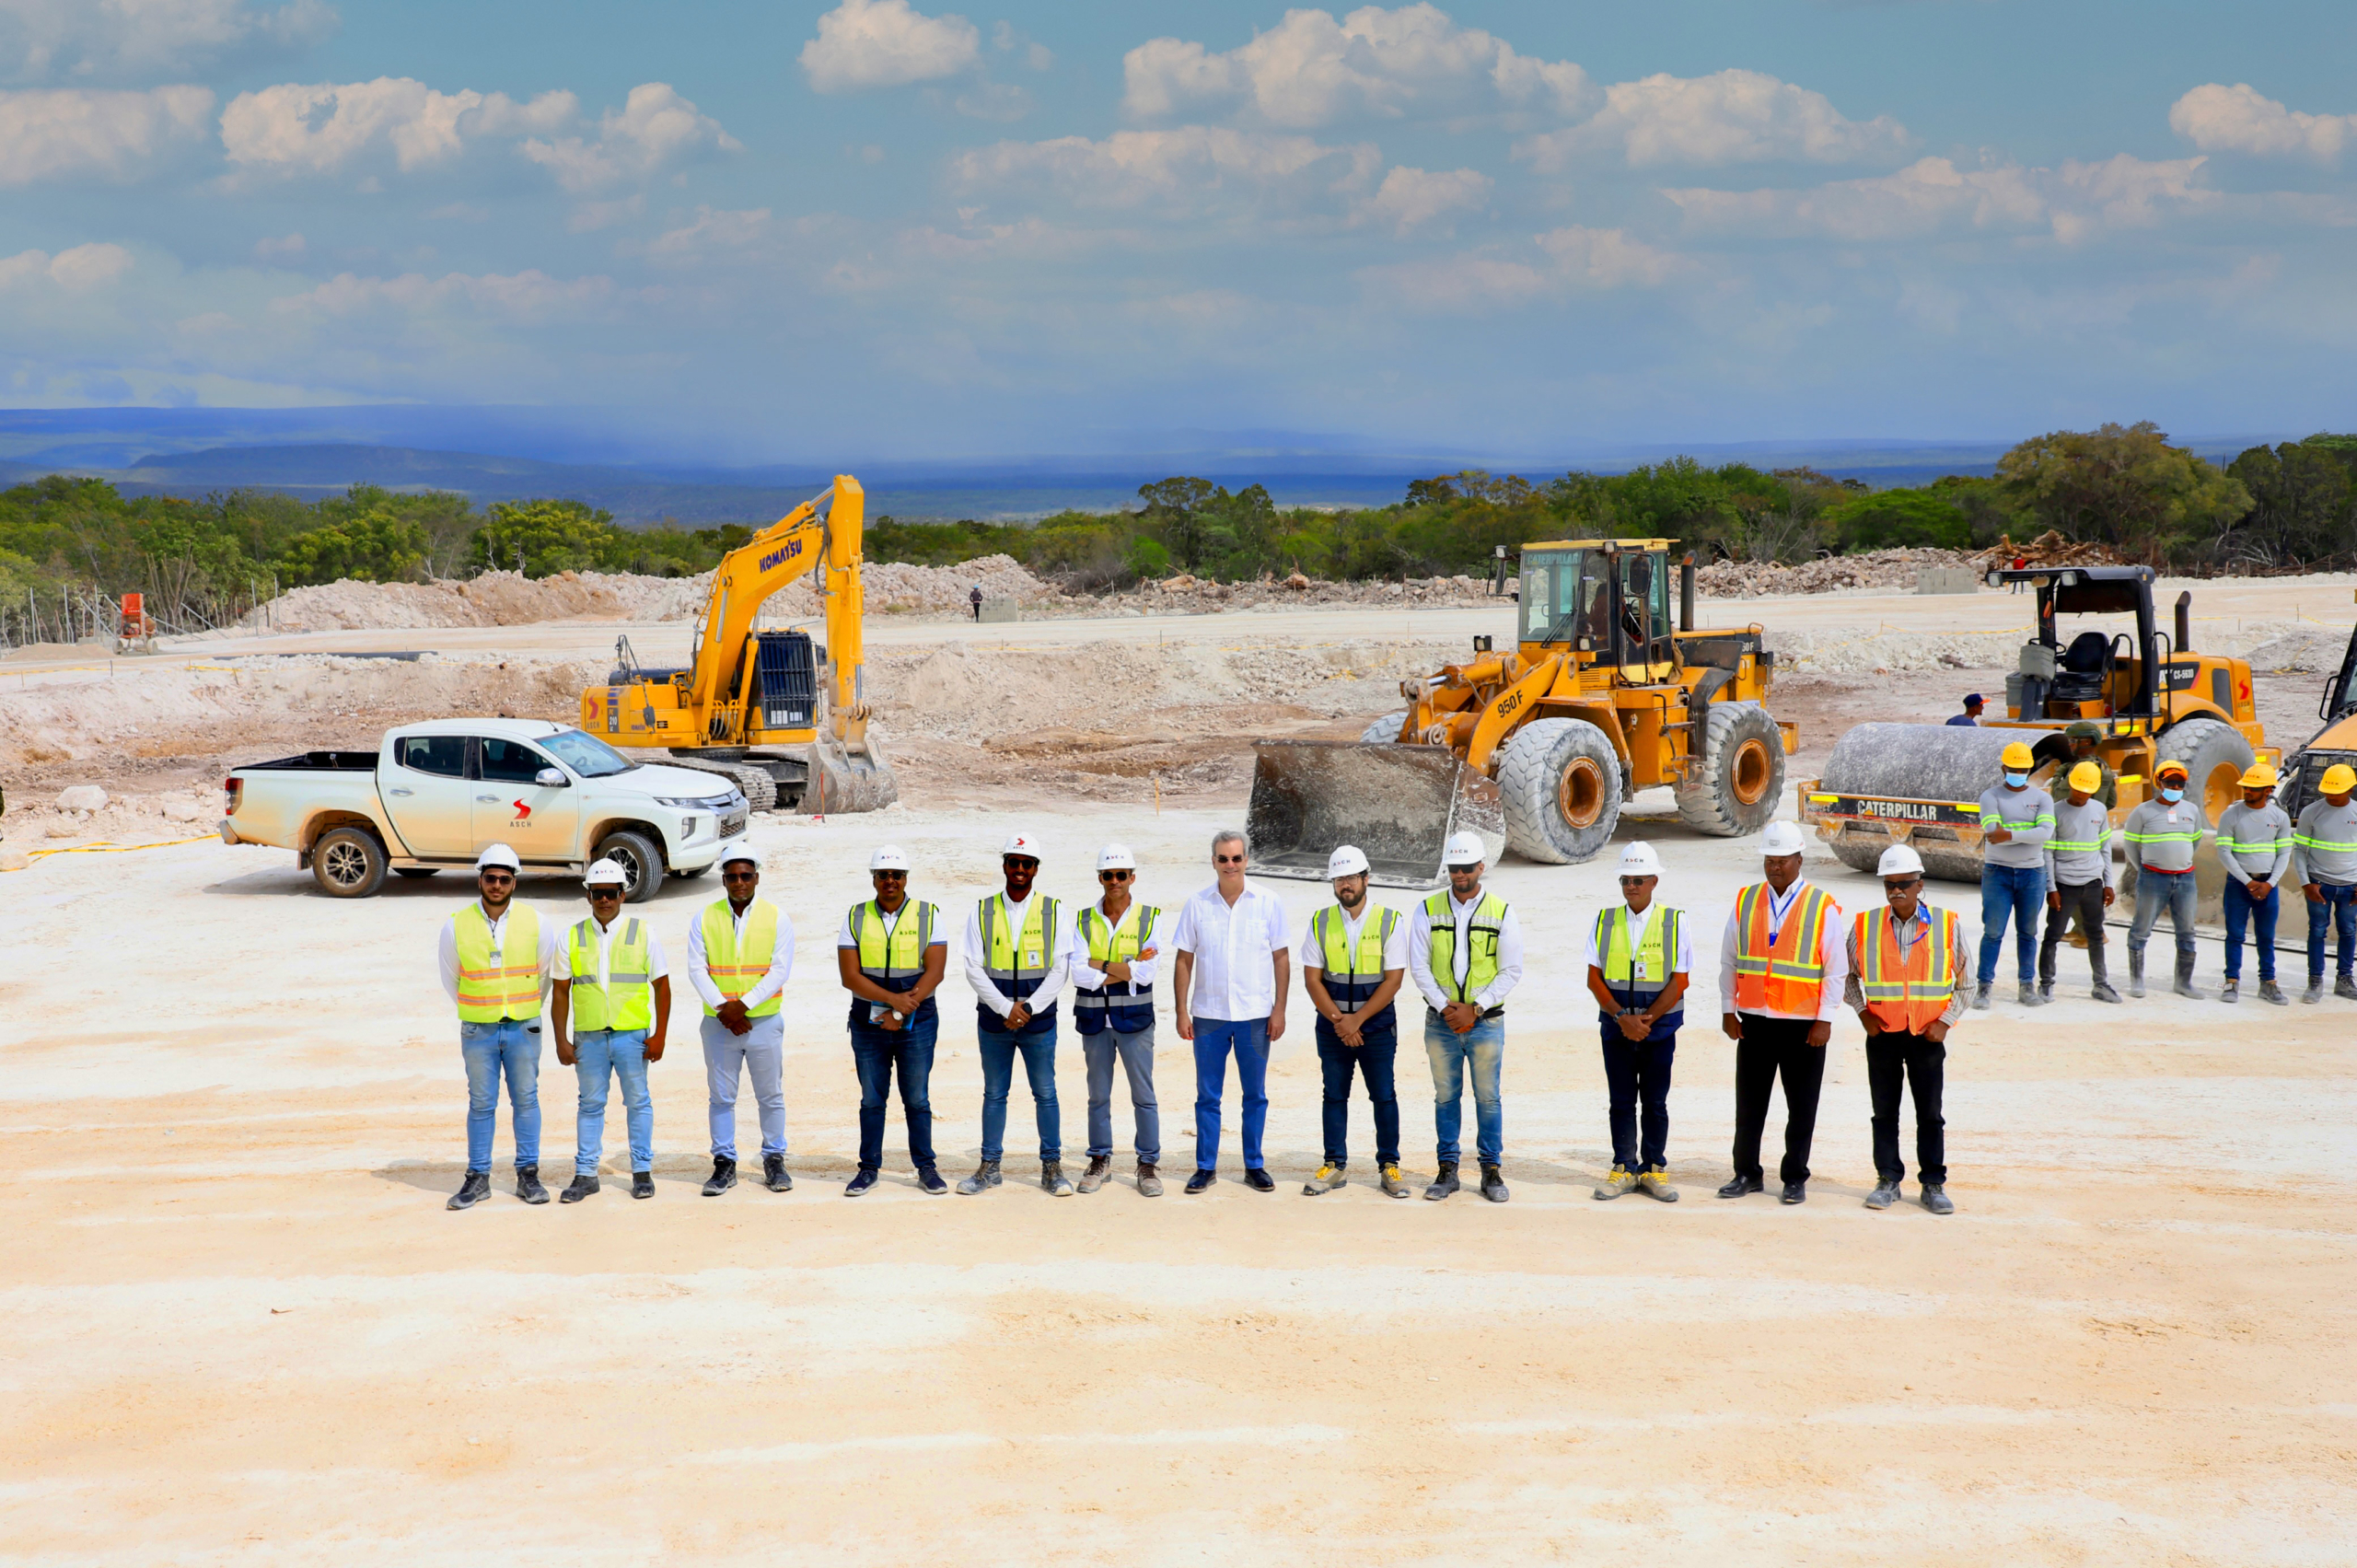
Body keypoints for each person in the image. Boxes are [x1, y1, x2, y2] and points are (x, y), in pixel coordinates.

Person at [1718, 819, 1847, 1205]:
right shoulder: (1746, 900)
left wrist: (1825, 1018)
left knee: (1802, 1106)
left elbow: (1835, 968)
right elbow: (1729, 960)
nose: (1774, 866)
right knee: (1749, 1104)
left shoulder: (1820, 905)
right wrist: (1729, 1009)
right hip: (1755, 1020)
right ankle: (1746, 1173)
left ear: (1799, 859)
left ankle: (1794, 1177)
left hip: (1803, 1024)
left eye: (1782, 859)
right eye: (1769, 859)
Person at [1844, 843, 1966, 1215]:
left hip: (1927, 1035)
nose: (1896, 890)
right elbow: (1846, 976)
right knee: (1884, 1112)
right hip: (1883, 1034)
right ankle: (1888, 1179)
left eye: (1904, 883)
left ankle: (1932, 1183)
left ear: (1919, 885)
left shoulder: (1946, 924)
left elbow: (1968, 982)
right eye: (1889, 884)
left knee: (1930, 1113)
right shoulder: (1865, 925)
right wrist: (1863, 1012)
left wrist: (1945, 1023)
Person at [1170, 829, 1291, 1193]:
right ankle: (1205, 1166)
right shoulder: (1197, 903)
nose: (1230, 865)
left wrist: (1279, 1010)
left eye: (1236, 858)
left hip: (1255, 1014)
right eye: (1223, 858)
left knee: (1255, 1094)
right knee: (1208, 1095)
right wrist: (1181, 1011)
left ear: (1246, 860)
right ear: (1213, 861)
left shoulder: (1268, 901)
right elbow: (1183, 959)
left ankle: (1253, 1165)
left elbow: (1282, 958)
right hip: (1209, 1016)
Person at [438, 842, 558, 1210]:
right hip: (479, 1030)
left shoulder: (537, 922)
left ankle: (528, 1175)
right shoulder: (456, 924)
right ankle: (478, 1179)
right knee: (481, 1104)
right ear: (480, 880)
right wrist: (482, 1008)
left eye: (504, 879)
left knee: (526, 1100)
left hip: (523, 1028)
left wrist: (522, 1008)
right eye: (490, 878)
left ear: (514, 883)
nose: (497, 885)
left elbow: (545, 975)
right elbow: (451, 978)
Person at [1408, 830, 1524, 1202]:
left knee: (1488, 1099)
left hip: (1485, 1023)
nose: (1460, 875)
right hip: (1441, 1022)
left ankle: (1491, 1172)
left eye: (1466, 868)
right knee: (1446, 1098)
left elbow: (1512, 970)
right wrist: (1446, 1007)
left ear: (1480, 867)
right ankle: (1448, 1172)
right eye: (1454, 868)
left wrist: (1474, 1009)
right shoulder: (1427, 909)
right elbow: (1419, 966)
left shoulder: (1502, 912)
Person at [550, 858, 670, 1202]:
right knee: (590, 1105)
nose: (605, 900)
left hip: (633, 1037)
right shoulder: (570, 936)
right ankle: (586, 1175)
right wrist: (561, 1039)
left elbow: (662, 986)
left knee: (638, 1102)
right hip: (589, 1038)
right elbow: (560, 992)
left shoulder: (644, 932)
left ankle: (642, 1173)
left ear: (623, 895)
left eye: (611, 893)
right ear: (588, 895)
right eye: (598, 893)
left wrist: (659, 1035)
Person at [959, 832, 1073, 1195]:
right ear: (1005, 865)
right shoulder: (983, 910)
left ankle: (1052, 1167)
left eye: (1027, 864)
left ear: (1036, 869)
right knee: (994, 1094)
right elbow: (973, 968)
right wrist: (1006, 1007)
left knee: (1046, 1093)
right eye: (1014, 862)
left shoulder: (1054, 910)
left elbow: (1060, 968)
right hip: (995, 1021)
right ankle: (990, 1167)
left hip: (1038, 1022)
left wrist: (1029, 1008)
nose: (1020, 869)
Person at [837, 844, 949, 1195]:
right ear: (874, 879)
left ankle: (926, 1168)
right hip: (868, 1023)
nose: (890, 881)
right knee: (872, 1099)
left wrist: (900, 1012)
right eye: (883, 875)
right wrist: (891, 1003)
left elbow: (935, 973)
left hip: (916, 1021)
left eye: (896, 875)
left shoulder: (928, 914)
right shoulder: (856, 916)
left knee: (917, 1098)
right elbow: (849, 976)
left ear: (906, 878)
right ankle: (868, 1168)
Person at [1300, 844, 1410, 1199]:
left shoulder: (1390, 920)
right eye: (1339, 879)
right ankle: (1334, 1165)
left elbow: (1393, 979)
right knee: (1334, 1096)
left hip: (1375, 1028)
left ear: (1366, 878)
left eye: (1351, 877)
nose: (1345, 884)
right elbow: (1312, 979)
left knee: (1383, 1096)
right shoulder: (1321, 921)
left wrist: (1357, 1020)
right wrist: (1339, 1021)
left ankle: (1389, 1166)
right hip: (1333, 1029)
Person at [1583, 842, 1689, 1202]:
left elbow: (1680, 979)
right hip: (1616, 1029)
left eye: (1639, 879)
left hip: (1658, 1030)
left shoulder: (1675, 920)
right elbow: (1593, 978)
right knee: (1621, 1101)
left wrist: (1645, 1020)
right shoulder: (1605, 920)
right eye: (1626, 879)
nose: (1631, 886)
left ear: (1654, 881)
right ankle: (1625, 1167)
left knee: (1656, 1103)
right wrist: (1620, 1018)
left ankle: (1654, 1169)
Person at [688, 851, 795, 1195]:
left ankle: (774, 1159)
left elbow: (779, 970)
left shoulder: (777, 918)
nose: (739, 882)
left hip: (762, 1021)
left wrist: (743, 1006)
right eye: (732, 876)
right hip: (720, 1024)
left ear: (757, 878)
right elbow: (696, 968)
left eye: (746, 876)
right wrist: (724, 1009)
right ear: (723, 880)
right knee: (721, 1097)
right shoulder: (704, 918)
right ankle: (724, 1163)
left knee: (771, 1095)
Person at [1070, 843, 1164, 1196]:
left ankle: (1148, 1163)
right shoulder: (1081, 919)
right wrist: (1125, 967)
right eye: (1108, 875)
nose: (1114, 881)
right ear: (1100, 878)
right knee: (1098, 1096)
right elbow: (1078, 973)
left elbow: (1147, 972)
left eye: (1120, 875)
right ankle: (1100, 1159)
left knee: (1144, 1095)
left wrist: (1100, 964)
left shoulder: (1150, 917)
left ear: (1132, 877)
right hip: (1095, 1020)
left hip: (1135, 1020)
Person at [1973, 740, 2054, 1008]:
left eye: (2023, 768)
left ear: (2030, 769)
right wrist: (2023, 836)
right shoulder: (1990, 796)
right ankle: (1983, 987)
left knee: (2028, 933)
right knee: (1993, 932)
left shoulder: (2042, 798)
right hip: (1999, 874)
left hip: (2033, 875)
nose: (2018, 772)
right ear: (2003, 767)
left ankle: (2026, 986)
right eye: (2014, 767)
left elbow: (2044, 834)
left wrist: (2009, 833)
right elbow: (1992, 835)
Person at [2039, 760, 2122, 1004]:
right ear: (2070, 786)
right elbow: (2048, 853)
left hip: (2093, 885)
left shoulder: (2098, 810)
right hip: (2064, 886)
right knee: (2053, 935)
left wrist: (2108, 883)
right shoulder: (2056, 811)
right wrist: (2051, 888)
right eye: (2077, 789)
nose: (2081, 795)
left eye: (2086, 791)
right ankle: (2046, 985)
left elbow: (2105, 849)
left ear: (2094, 790)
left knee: (2095, 935)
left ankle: (2101, 984)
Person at [2122, 761, 2206, 999]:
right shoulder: (2143, 811)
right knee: (2141, 930)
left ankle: (2183, 983)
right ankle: (2137, 981)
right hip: (2153, 878)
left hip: (2185, 879)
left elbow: (2195, 841)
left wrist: (2180, 861)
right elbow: (2130, 844)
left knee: (2187, 932)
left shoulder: (2191, 810)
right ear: (2160, 783)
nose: (2176, 787)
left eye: (2180, 784)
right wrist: (2145, 868)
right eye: (2171, 783)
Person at [2216, 762, 2293, 1005]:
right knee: (2235, 935)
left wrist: (2269, 883)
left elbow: (2284, 854)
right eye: (2246, 787)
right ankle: (2231, 982)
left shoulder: (2279, 818)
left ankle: (2268, 983)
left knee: (2266, 936)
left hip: (2268, 884)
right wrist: (2248, 881)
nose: (2247, 791)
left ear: (2269, 790)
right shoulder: (2231, 815)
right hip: (2239, 885)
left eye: (2253, 788)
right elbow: (2225, 852)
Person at [2293, 761, 2357, 1003]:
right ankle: (2315, 981)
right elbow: (2299, 850)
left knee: (2349, 932)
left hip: (2351, 886)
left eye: (2336, 792)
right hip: (2319, 884)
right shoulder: (2312, 812)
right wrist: (2305, 883)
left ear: (2351, 790)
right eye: (2327, 791)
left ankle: (2344, 980)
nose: (2331, 796)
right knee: (2317, 931)